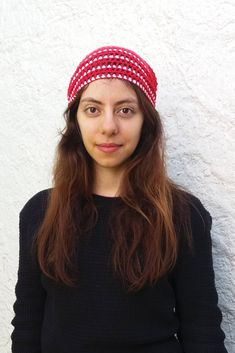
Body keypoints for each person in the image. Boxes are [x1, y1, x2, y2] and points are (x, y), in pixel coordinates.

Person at [11, 45, 228, 353]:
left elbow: (202, 331)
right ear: (76, 121)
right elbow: (27, 327)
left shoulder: (182, 216)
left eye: (125, 110)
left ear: (146, 122)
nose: (109, 126)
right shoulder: (40, 213)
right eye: (93, 109)